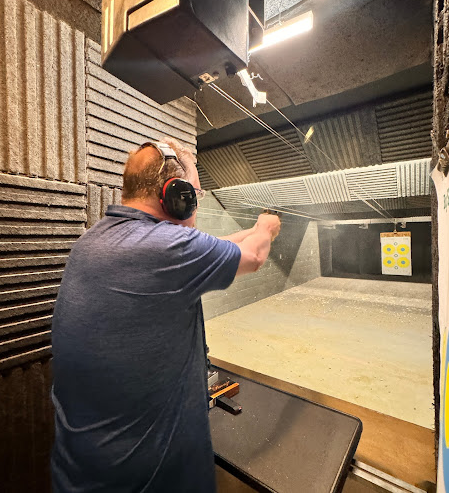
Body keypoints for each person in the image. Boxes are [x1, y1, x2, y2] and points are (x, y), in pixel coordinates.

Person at [51, 137, 281, 492]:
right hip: (149, 479)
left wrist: (250, 231)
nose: (195, 203)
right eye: (195, 195)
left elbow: (210, 246)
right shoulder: (167, 248)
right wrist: (265, 226)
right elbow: (253, 257)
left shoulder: (93, 241)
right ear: (176, 195)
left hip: (83, 472)